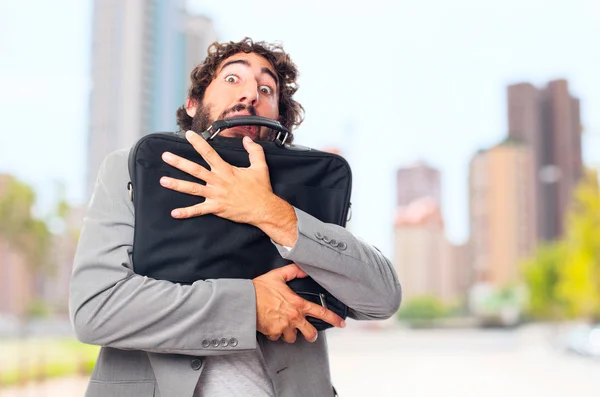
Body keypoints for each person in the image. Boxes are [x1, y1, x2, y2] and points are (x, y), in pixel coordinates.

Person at [70, 37, 402, 397]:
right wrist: (251, 306)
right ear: (193, 103)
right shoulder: (133, 167)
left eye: (266, 88)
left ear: (278, 117)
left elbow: (382, 299)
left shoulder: (304, 191)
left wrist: (271, 212)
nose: (250, 94)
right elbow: (96, 309)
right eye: (232, 79)